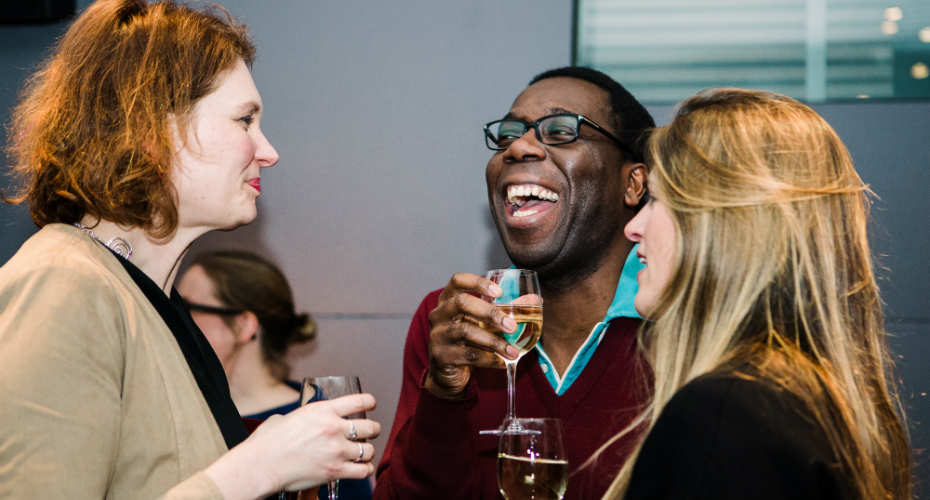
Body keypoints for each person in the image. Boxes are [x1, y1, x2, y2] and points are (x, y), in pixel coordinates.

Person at [0, 1, 379, 498]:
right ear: (151, 130)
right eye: (244, 120)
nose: (268, 152)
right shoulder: (64, 285)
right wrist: (259, 467)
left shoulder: (157, 305)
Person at [605, 88, 911, 499]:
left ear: (724, 228)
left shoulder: (722, 416)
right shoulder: (818, 404)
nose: (633, 227)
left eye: (657, 200)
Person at [374, 67, 655, 500]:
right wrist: (443, 395)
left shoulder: (689, 316)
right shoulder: (456, 321)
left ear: (633, 183)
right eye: (507, 135)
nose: (518, 147)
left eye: (560, 131)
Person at [177, 250, 373, 500]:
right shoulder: (185, 409)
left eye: (187, 308)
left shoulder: (316, 419)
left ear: (243, 325)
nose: (175, 321)